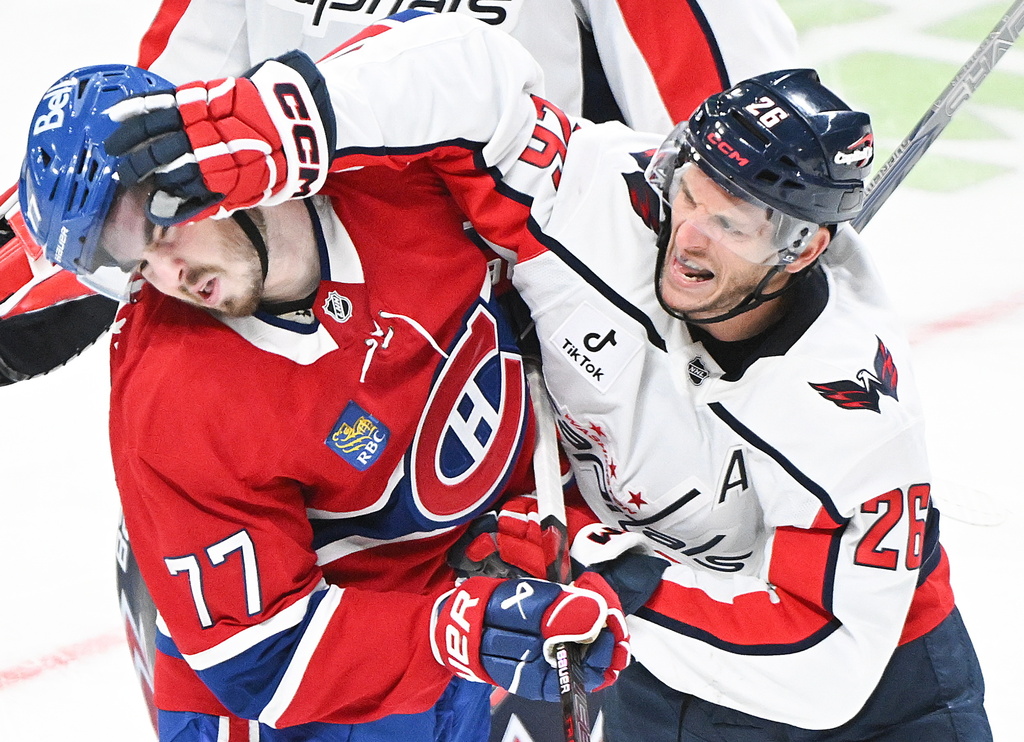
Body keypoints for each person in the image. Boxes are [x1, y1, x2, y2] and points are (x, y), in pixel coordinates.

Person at [97, 11, 993, 739]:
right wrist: (278, 125)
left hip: (879, 697)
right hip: (652, 682)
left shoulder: (848, 404)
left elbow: (824, 661)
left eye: (735, 227)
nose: (685, 238)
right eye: (692, 195)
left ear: (804, 249)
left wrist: (605, 576)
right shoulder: (604, 202)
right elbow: (471, 69)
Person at [18, 60, 632, 742]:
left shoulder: (395, 168)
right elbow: (259, 659)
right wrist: (453, 629)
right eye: (134, 264)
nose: (170, 276)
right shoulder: (174, 399)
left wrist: (534, 520)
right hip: (293, 700)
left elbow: (487, 67)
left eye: (162, 232)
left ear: (216, 165)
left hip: (441, 635)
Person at [1, 0, 801, 385]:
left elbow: (737, 144)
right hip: (310, 350)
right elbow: (144, 145)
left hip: (544, 361)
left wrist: (757, 283)